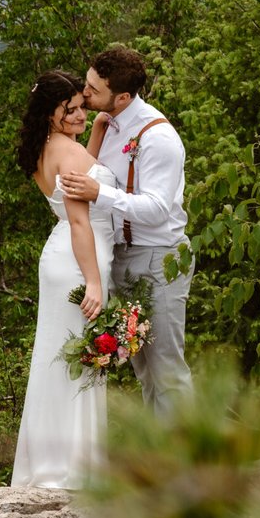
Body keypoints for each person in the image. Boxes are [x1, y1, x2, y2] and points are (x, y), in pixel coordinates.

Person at [61, 47, 194, 417]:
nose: (84, 93)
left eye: (93, 89)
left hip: (158, 260)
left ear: (122, 96)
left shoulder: (158, 137)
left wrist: (98, 194)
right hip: (122, 258)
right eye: (87, 83)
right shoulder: (108, 123)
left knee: (167, 370)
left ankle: (186, 452)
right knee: (144, 370)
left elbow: (156, 210)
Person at [10, 69, 118, 488]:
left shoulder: (48, 147)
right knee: (76, 361)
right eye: (68, 110)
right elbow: (78, 221)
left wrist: (96, 133)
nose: (79, 115)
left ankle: (53, 462)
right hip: (77, 260)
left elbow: (80, 169)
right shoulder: (68, 153)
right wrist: (93, 282)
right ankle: (71, 468)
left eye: (80, 107)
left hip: (61, 258)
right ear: (50, 113)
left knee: (57, 360)